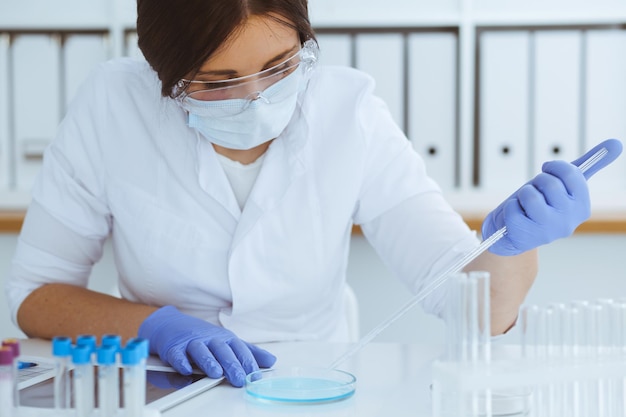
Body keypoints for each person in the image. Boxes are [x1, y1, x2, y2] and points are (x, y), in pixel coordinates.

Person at [4, 0, 599, 388]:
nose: (257, 97)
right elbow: (35, 296)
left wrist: (518, 245)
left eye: (281, 65)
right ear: (164, 76)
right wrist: (155, 325)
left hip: (310, 384)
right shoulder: (112, 106)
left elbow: (467, 302)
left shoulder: (350, 112)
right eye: (216, 83)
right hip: (167, 386)